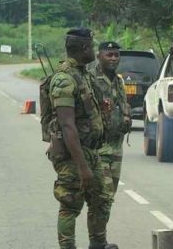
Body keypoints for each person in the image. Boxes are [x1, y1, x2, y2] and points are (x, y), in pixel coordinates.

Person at [47, 28, 117, 249]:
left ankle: (98, 243)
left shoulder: (83, 74)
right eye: (93, 46)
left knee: (102, 200)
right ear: (84, 48)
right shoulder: (64, 79)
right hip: (72, 154)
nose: (95, 50)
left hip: (92, 151)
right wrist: (82, 166)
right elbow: (67, 125)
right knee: (70, 204)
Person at [89, 42, 131, 193]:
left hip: (116, 147)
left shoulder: (118, 81)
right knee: (103, 196)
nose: (113, 58)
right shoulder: (90, 79)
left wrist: (126, 116)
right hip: (99, 149)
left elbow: (124, 104)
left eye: (116, 55)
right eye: (109, 55)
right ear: (99, 56)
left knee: (108, 198)